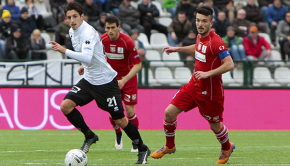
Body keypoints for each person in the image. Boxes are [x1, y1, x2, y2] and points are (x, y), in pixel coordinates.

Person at [49, 2, 150, 164]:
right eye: (69, 17)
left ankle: (142, 147)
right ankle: (89, 135)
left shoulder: (88, 31)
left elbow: (88, 56)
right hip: (89, 79)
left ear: (82, 16)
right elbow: (91, 56)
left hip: (105, 82)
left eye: (75, 16)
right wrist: (84, 66)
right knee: (65, 106)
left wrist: (64, 50)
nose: (72, 20)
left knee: (120, 120)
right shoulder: (72, 31)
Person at [150, 6, 235, 165]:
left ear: (211, 22)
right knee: (169, 113)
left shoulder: (216, 42)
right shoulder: (200, 36)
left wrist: (208, 73)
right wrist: (177, 49)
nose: (200, 24)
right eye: (198, 20)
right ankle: (169, 146)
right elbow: (198, 49)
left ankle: (226, 147)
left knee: (215, 125)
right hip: (193, 86)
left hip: (210, 92)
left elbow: (230, 64)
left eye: (204, 21)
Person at [100, 15, 142, 153]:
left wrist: (124, 80)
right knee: (114, 112)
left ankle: (136, 141)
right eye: (107, 28)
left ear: (118, 27)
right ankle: (118, 133)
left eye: (113, 28)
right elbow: (96, 57)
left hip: (128, 79)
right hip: (111, 79)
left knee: (130, 112)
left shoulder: (127, 41)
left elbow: (138, 65)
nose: (110, 31)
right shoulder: (102, 40)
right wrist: (85, 67)